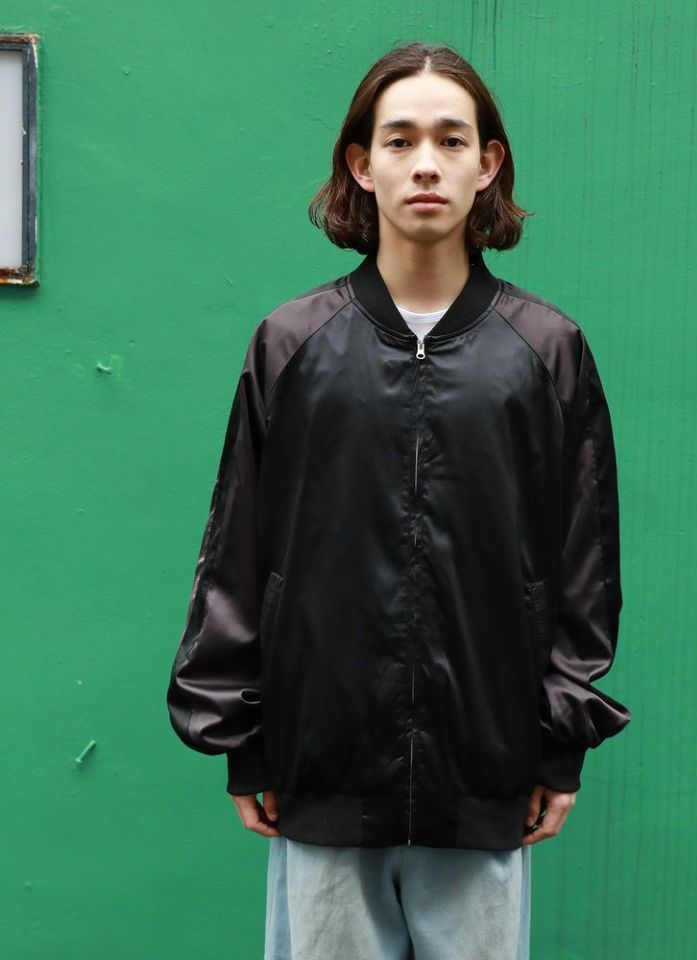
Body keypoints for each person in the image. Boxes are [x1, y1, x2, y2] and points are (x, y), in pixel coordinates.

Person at [166, 40, 631, 960]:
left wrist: (559, 741)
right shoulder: (291, 344)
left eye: (451, 140)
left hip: (486, 775)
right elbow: (238, 549)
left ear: (488, 164)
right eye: (400, 139)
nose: (426, 164)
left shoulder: (546, 351)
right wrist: (244, 739)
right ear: (361, 163)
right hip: (323, 773)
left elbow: (584, 561)